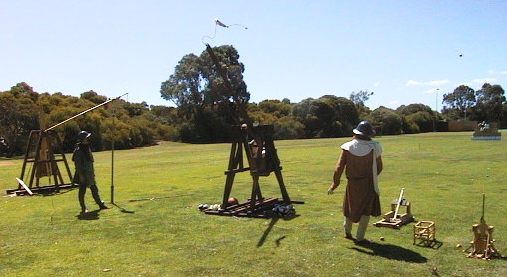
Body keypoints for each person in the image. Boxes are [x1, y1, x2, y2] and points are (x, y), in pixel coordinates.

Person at [327, 121, 383, 243]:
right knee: (365, 210)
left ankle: (347, 231)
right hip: (368, 184)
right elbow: (379, 167)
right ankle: (360, 237)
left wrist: (335, 184)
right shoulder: (375, 147)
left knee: (349, 207)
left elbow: (338, 168)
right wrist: (371, 176)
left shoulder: (348, 147)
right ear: (368, 135)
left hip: (352, 183)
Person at [72, 131, 108, 214]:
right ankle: (83, 208)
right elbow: (78, 165)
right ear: (82, 139)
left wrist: (92, 173)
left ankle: (100, 204)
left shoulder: (87, 148)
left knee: (94, 189)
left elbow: (90, 162)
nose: (88, 139)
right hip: (83, 174)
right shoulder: (78, 151)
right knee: (82, 191)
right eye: (86, 138)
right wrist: (81, 176)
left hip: (89, 174)